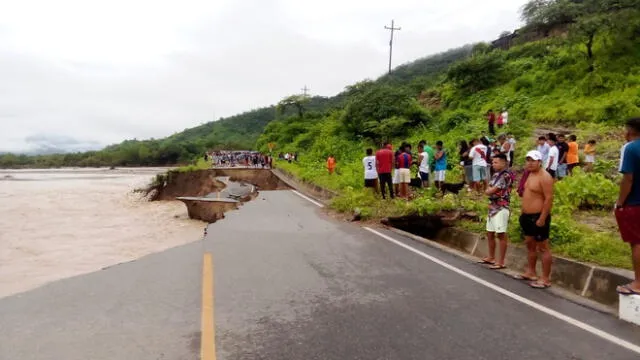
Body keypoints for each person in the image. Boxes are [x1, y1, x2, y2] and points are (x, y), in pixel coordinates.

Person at [517, 150, 554, 289]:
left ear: (540, 162)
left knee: (543, 247)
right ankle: (530, 272)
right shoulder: (529, 175)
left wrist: (543, 217)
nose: (530, 163)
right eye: (528, 160)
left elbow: (549, 198)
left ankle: (545, 278)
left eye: (533, 160)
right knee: (530, 244)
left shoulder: (545, 177)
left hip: (538, 216)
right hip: (526, 216)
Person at [615, 118, 640, 295]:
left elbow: (628, 179)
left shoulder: (632, 148)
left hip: (635, 203)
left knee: (637, 243)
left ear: (631, 131)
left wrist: (620, 203)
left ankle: (638, 283)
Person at [478, 154, 514, 269]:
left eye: (496, 162)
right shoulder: (496, 175)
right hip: (492, 207)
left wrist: (489, 190)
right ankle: (491, 257)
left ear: (504, 163)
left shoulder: (506, 175)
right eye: (493, 163)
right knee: (490, 233)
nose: (493, 165)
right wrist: (489, 190)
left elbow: (491, 190)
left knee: (501, 234)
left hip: (501, 207)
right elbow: (488, 188)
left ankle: (501, 261)